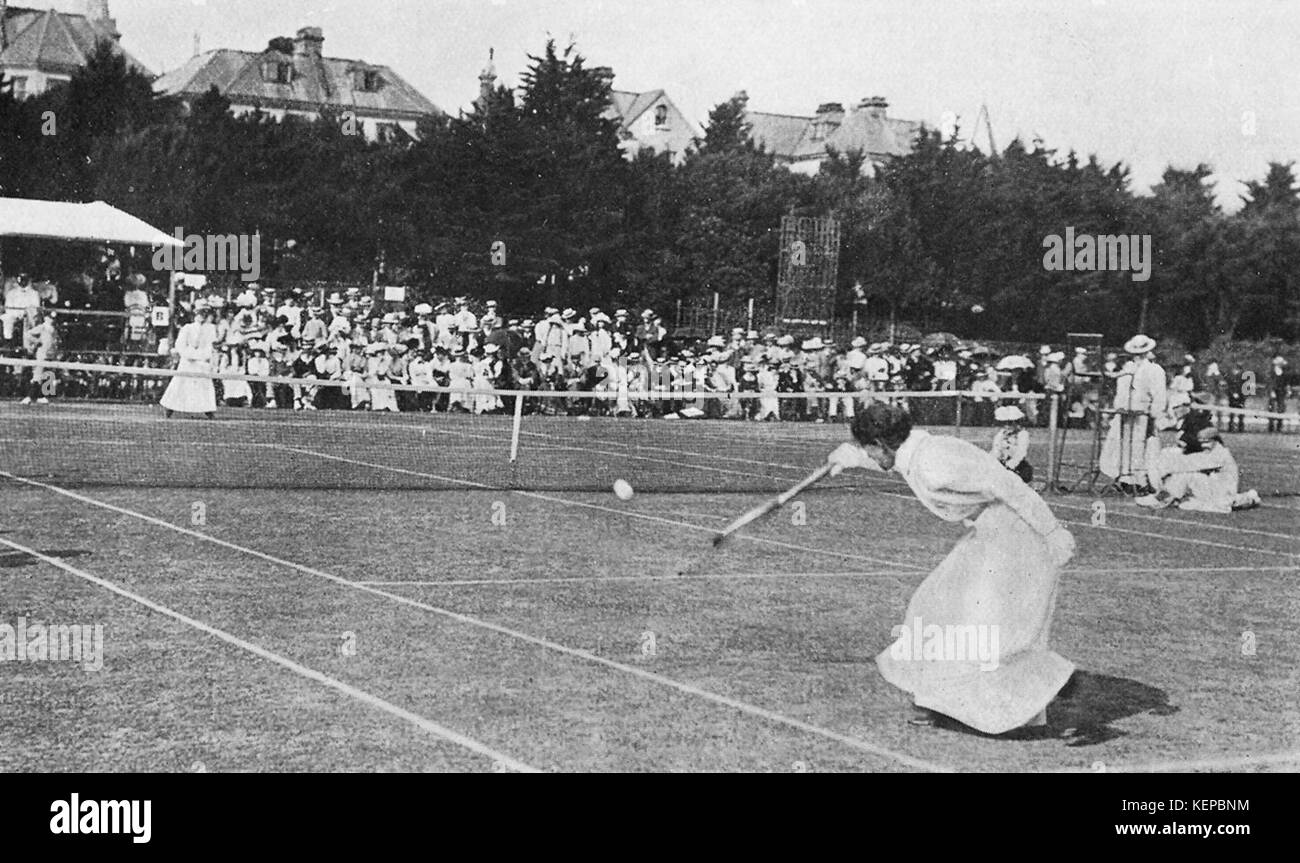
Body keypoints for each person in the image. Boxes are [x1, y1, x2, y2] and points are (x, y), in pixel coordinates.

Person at [827, 403, 1076, 734]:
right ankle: (933, 700)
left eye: (869, 450)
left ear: (881, 444)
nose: (871, 456)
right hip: (993, 531)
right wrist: (854, 457)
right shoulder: (917, 450)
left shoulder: (935, 464)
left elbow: (1009, 485)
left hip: (1017, 534)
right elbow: (899, 464)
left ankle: (1051, 683)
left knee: (982, 625)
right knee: (933, 610)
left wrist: (1052, 531)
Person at [1138, 426, 1261, 512]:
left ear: (1215, 441)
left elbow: (1195, 462)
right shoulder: (1213, 452)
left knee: (1188, 475)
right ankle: (1248, 498)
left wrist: (1166, 467)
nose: (1204, 445)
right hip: (1217, 489)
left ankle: (1162, 498)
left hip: (1222, 492)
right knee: (1190, 477)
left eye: (1207, 442)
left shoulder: (1220, 454)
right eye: (1202, 442)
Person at [160, 302, 218, 418]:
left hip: (201, 364)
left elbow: (210, 347)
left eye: (204, 313)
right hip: (188, 362)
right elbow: (180, 346)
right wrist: (191, 355)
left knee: (203, 387)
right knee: (179, 385)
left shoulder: (211, 329)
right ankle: (169, 410)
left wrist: (202, 356)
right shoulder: (187, 328)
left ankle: (209, 412)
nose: (201, 316)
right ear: (195, 314)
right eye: (199, 313)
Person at [990, 405, 1033, 483]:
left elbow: (1020, 453)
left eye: (1010, 423)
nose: (1007, 426)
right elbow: (995, 450)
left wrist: (1009, 466)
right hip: (1001, 463)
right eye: (1004, 423)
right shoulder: (1001, 434)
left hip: (1016, 465)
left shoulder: (1022, 434)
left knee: (1023, 474)